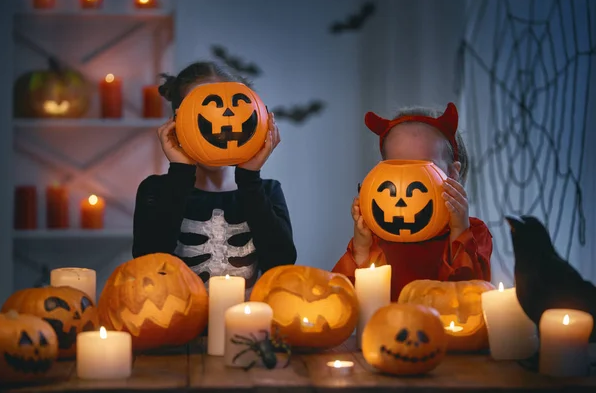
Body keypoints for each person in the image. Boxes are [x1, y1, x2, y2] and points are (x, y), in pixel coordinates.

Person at [132, 61, 297, 291]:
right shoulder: (156, 190)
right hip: (177, 324)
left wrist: (250, 178)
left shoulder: (265, 191)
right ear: (177, 122)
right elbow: (146, 264)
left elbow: (281, 264)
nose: (224, 123)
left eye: (233, 109)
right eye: (207, 111)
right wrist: (180, 174)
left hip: (246, 323)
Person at [332, 102, 492, 301]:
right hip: (386, 329)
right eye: (397, 167)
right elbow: (343, 297)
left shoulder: (474, 232)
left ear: (452, 174)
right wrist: (362, 248)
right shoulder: (376, 235)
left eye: (423, 167)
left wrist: (459, 232)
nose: (407, 180)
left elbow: (473, 296)